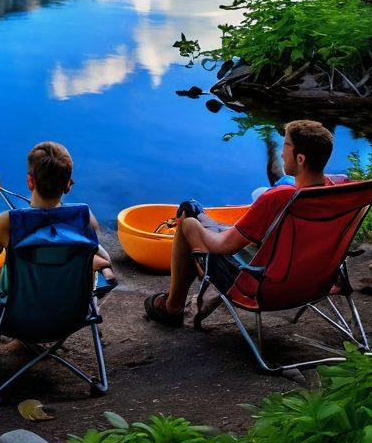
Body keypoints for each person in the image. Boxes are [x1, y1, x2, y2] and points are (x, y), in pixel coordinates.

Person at [144, 119, 339, 327]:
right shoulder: (339, 192)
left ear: (300, 159)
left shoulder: (279, 197)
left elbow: (224, 246)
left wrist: (192, 229)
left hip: (260, 283)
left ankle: (172, 308)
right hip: (314, 282)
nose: (282, 154)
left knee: (188, 217)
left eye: (285, 146)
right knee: (197, 215)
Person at [0, 141, 117, 294]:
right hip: (72, 315)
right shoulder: (84, 216)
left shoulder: (8, 221)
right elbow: (98, 253)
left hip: (18, 317)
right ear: (68, 185)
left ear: (30, 181)